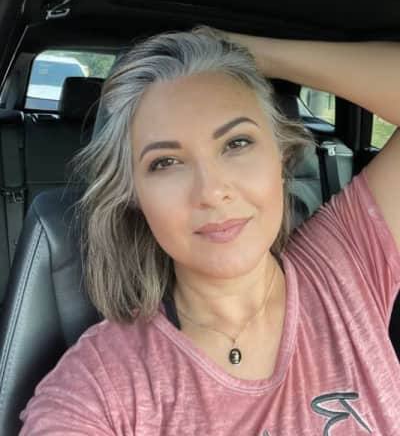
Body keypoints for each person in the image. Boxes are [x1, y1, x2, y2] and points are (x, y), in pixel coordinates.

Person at [19, 25, 400, 435]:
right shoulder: (98, 386)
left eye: (237, 143)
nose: (212, 191)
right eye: (166, 162)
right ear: (134, 196)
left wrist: (249, 51)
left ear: (282, 156)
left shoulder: (345, 261)